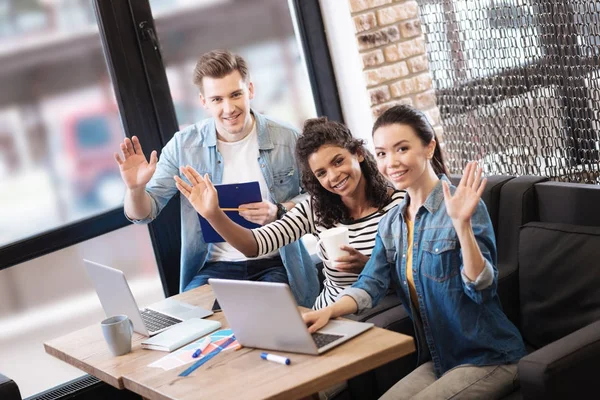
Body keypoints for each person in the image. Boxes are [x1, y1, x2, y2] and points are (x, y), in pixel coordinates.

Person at [302, 105, 527, 399]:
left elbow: (483, 290)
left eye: (402, 148)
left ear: (429, 147)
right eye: (382, 153)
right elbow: (370, 283)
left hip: (490, 357)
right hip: (441, 359)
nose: (391, 162)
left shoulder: (461, 207)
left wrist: (462, 226)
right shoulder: (393, 223)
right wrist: (327, 312)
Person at [113, 49, 319, 307]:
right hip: (215, 269)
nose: (228, 108)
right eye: (217, 99)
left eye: (236, 95)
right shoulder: (183, 146)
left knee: (270, 323)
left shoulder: (287, 138)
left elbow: (320, 198)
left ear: (250, 90)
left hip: (275, 263)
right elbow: (144, 214)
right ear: (203, 102)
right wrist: (135, 189)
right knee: (188, 325)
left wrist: (280, 210)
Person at [174, 117, 405, 309]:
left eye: (338, 161)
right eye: (321, 173)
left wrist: (369, 266)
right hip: (325, 315)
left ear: (358, 153)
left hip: (379, 311)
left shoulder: (398, 206)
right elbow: (254, 245)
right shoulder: (316, 209)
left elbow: (419, 278)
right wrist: (213, 214)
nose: (333, 177)